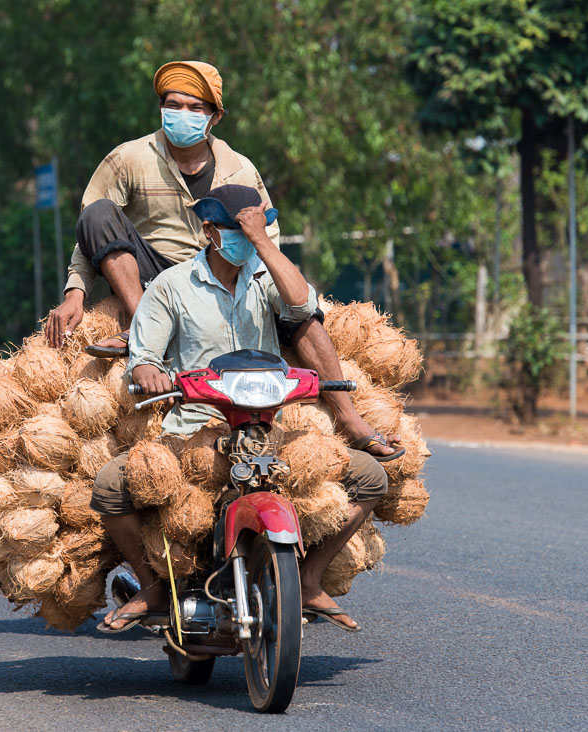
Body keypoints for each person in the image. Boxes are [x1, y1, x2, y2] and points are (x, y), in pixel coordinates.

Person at [43, 60, 402, 461]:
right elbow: (90, 232)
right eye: (173, 104)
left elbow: (267, 242)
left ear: (215, 117)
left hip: (231, 270)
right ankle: (144, 332)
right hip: (157, 277)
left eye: (195, 108)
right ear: (160, 107)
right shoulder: (128, 158)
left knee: (305, 314)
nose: (183, 115)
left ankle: (350, 418)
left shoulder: (240, 169)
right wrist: (75, 291)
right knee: (97, 215)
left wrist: (275, 293)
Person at [91, 184, 387, 634]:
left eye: (256, 232)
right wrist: (150, 371)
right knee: (111, 485)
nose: (246, 241)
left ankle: (307, 580)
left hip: (269, 429)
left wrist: (263, 243)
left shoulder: (267, 278)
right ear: (210, 230)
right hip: (194, 429)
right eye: (238, 231)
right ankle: (152, 587)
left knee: (370, 477)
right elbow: (145, 354)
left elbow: (304, 306)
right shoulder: (172, 287)